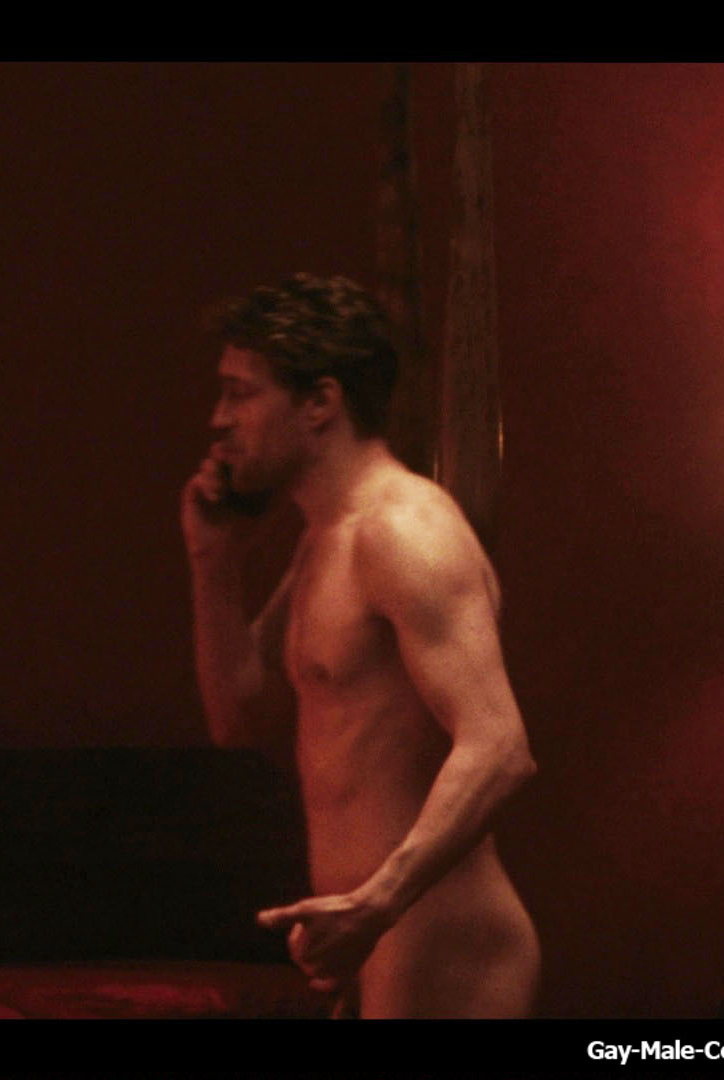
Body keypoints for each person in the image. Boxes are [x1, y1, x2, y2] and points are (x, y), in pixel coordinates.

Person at [181, 273, 539, 1018]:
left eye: (241, 394)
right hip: (373, 933)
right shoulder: (326, 539)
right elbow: (239, 719)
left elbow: (500, 747)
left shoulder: (402, 529)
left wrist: (379, 901)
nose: (219, 420)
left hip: (437, 936)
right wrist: (213, 566)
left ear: (320, 403)